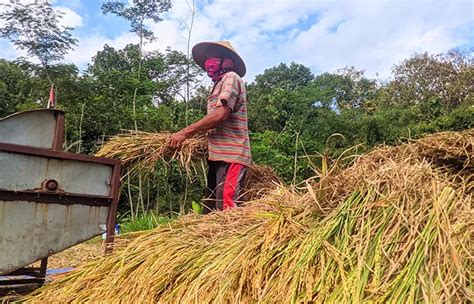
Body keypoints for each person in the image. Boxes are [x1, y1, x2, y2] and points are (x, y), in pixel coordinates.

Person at [169, 41, 251, 213]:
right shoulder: (218, 84)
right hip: (218, 157)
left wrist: (185, 133)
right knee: (212, 211)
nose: (208, 61)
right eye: (207, 58)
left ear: (228, 60)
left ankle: (232, 240)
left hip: (232, 156)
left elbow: (220, 114)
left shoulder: (231, 78)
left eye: (213, 56)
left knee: (228, 210)